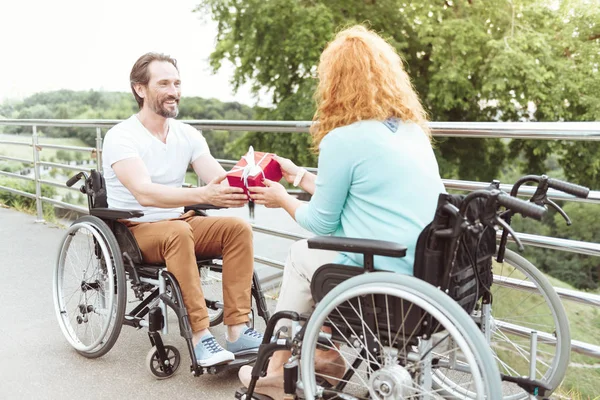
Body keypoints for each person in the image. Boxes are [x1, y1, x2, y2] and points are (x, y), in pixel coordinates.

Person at [238, 25, 446, 397]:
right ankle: (324, 355)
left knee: (302, 254)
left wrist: (280, 198)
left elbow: (320, 221)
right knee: (325, 256)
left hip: (384, 274)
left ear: (334, 82)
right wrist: (298, 176)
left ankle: (274, 373)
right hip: (425, 267)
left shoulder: (342, 139)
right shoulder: (412, 131)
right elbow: (362, 196)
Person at [102, 52, 262, 367]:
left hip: (180, 223)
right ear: (140, 89)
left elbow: (217, 178)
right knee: (177, 232)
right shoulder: (121, 137)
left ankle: (237, 329)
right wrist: (204, 193)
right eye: (164, 83)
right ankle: (202, 337)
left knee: (236, 229)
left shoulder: (186, 134)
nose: (174, 90)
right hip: (136, 231)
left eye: (177, 83)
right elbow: (144, 193)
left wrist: (250, 180)